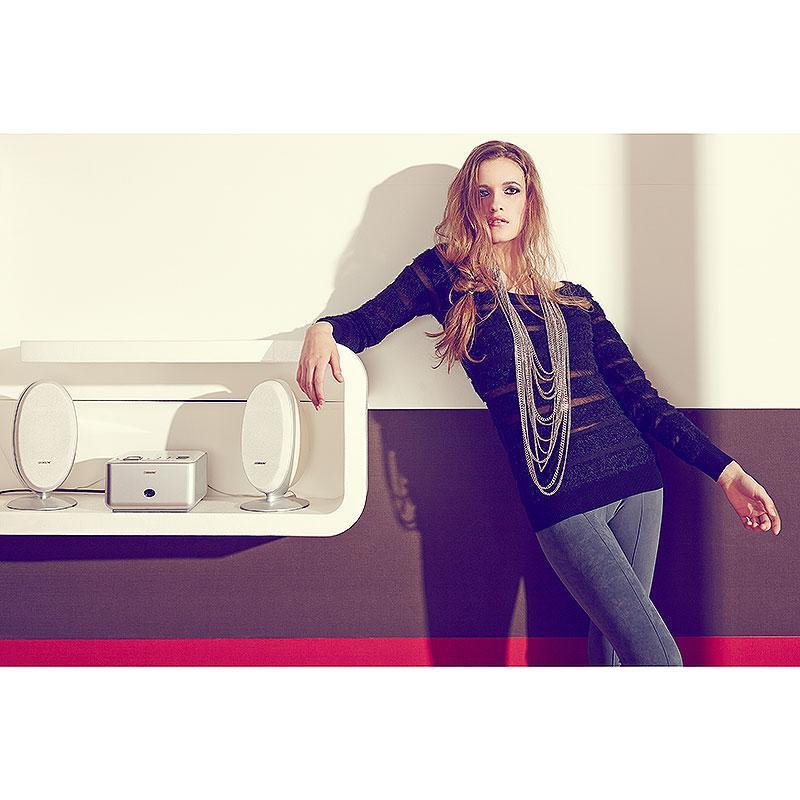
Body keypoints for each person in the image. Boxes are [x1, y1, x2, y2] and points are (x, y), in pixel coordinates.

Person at [296, 140, 782, 667]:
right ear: (467, 202)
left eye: (510, 190)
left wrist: (728, 473)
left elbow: (645, 402)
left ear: (530, 201)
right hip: (560, 496)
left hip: (638, 482)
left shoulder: (574, 299)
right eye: (482, 192)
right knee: (657, 657)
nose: (496, 205)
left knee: (615, 657)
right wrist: (324, 328)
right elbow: (366, 322)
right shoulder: (444, 277)